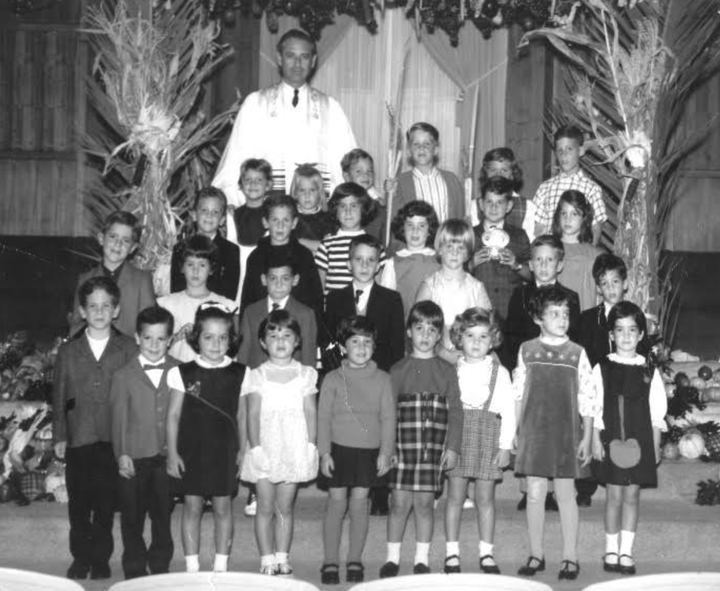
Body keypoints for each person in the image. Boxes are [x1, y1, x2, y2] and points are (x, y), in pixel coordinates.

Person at [53, 276, 138, 580]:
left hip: (112, 438)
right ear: (82, 311)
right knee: (79, 503)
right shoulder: (68, 351)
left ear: (115, 310)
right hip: (79, 436)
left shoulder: (128, 347)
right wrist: (60, 435)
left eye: (106, 306)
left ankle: (101, 558)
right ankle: (80, 557)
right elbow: (60, 395)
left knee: (104, 504)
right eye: (93, 307)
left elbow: (134, 395)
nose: (100, 312)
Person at [212, 29, 356, 202]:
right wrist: (232, 200)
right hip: (268, 209)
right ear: (279, 59)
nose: (297, 63)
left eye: (304, 56)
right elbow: (236, 160)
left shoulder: (331, 108)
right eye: (290, 56)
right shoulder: (256, 104)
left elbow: (350, 165)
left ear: (313, 61)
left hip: (315, 210)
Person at [513, 286, 596, 581]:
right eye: (554, 313)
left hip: (565, 435)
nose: (562, 319)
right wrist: (515, 430)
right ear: (538, 318)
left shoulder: (577, 354)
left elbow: (588, 398)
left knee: (566, 494)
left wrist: (586, 437)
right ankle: (536, 554)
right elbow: (518, 394)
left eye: (566, 313)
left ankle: (570, 557)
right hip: (534, 435)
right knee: (535, 495)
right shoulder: (527, 350)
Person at [380, 301, 463, 578]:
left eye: (432, 329)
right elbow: (388, 414)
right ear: (408, 332)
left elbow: (457, 413)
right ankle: (392, 558)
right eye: (419, 328)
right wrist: (388, 448)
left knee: (425, 505)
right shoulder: (397, 370)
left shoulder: (447, 370)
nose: (425, 335)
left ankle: (421, 559)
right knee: (399, 503)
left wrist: (452, 447)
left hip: (433, 450)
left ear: (440, 335)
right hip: (403, 448)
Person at [166, 303, 246, 573]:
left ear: (231, 340)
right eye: (208, 337)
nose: (216, 343)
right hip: (192, 449)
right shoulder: (182, 373)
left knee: (223, 507)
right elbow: (174, 416)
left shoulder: (240, 373)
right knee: (192, 506)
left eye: (223, 337)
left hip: (224, 449)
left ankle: (221, 565)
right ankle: (192, 565)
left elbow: (243, 416)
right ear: (196, 339)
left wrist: (243, 450)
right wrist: (173, 453)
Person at [239, 310, 319, 575]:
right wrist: (256, 447)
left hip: (294, 445)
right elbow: (251, 413)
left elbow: (310, 411)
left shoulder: (306, 373)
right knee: (264, 506)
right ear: (262, 342)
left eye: (287, 335)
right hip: (266, 446)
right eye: (273, 335)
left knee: (285, 507)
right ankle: (266, 558)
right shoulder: (256, 375)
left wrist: (310, 445)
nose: (280, 341)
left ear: (297, 341)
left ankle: (283, 556)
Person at [317, 316, 395, 585]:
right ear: (343, 346)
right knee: (337, 504)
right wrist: (324, 452)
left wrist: (386, 451)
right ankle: (329, 560)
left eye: (367, 342)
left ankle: (354, 559)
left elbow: (388, 418)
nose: (361, 348)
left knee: (360, 504)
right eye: (355, 341)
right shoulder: (331, 379)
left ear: (375, 346)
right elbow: (323, 418)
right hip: (338, 450)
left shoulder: (383, 379)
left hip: (368, 452)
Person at [591, 301, 666, 576]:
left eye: (632, 330)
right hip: (611, 438)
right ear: (611, 335)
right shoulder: (603, 368)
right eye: (619, 330)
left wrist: (655, 445)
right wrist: (595, 439)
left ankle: (626, 551)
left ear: (641, 335)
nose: (625, 336)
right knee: (613, 495)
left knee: (632, 495)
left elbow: (657, 413)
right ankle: (611, 548)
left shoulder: (649, 371)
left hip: (640, 440)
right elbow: (595, 406)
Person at [443, 308, 515, 575]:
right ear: (459, 339)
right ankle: (452, 552)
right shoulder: (451, 370)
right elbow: (446, 409)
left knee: (485, 498)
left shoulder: (501, 372)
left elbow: (508, 410)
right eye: (470, 335)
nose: (476, 342)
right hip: (458, 437)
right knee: (455, 497)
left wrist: (505, 446)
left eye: (483, 336)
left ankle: (486, 553)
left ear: (493, 339)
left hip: (488, 437)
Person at [110, 305, 178, 579]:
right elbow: (118, 419)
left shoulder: (179, 370)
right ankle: (134, 568)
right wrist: (121, 454)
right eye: (148, 338)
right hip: (134, 456)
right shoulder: (123, 375)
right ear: (137, 338)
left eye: (161, 339)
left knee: (163, 514)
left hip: (165, 455)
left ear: (170, 340)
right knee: (132, 516)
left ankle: (161, 564)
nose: (154, 344)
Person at [416, 219, 492, 365]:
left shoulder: (476, 287)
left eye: (460, 248)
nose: (454, 253)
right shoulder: (429, 286)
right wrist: (441, 351)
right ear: (439, 249)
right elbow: (418, 326)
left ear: (468, 253)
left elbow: (486, 326)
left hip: (470, 356)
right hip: (434, 354)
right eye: (449, 246)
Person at [324, 234, 404, 372]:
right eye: (358, 259)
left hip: (380, 376)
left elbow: (397, 347)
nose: (364, 265)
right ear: (349, 264)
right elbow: (329, 343)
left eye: (371, 260)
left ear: (378, 266)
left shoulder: (392, 299)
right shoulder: (334, 299)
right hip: (343, 375)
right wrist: (336, 372)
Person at [69, 211, 155, 338]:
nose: (118, 244)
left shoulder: (142, 279)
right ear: (101, 238)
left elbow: (149, 325)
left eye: (125, 241)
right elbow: (76, 325)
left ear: (133, 248)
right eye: (113, 237)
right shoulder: (85, 279)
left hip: (130, 352)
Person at [504, 235, 581, 371]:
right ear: (531, 265)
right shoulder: (519, 294)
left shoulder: (570, 297)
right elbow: (510, 337)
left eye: (550, 260)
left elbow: (574, 338)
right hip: (526, 366)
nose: (543, 265)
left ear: (559, 265)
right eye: (538, 259)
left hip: (559, 365)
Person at [240, 194, 323, 319]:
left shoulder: (303, 255)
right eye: (275, 220)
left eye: (286, 220)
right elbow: (248, 298)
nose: (280, 226)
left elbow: (315, 298)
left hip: (296, 323)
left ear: (294, 223)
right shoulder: (256, 256)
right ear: (265, 222)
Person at [158, 236, 237, 362]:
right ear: (182, 268)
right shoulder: (166, 304)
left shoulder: (226, 306)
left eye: (202, 265)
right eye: (190, 264)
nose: (195, 271)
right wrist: (176, 337)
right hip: (176, 372)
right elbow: (156, 345)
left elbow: (232, 351)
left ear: (211, 269)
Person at [238, 254, 317, 369]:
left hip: (292, 380)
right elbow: (243, 352)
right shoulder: (251, 312)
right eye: (273, 278)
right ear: (264, 280)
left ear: (295, 280)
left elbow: (308, 356)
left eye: (285, 279)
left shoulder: (306, 314)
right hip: (257, 379)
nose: (278, 284)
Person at [533, 125, 607, 244]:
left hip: (578, 254)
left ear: (581, 150)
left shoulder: (591, 189)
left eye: (569, 149)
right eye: (559, 150)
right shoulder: (545, 188)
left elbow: (596, 228)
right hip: (550, 254)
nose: (564, 155)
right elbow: (538, 228)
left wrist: (589, 255)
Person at [471, 176, 531, 320]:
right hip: (478, 310)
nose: (493, 207)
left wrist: (516, 265)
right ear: (480, 204)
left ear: (509, 206)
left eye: (499, 202)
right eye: (489, 201)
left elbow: (532, 275)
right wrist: (471, 263)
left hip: (512, 312)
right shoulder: (470, 235)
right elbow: (456, 272)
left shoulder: (520, 236)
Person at [170, 187, 241, 303]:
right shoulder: (180, 248)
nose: (209, 215)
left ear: (222, 219)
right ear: (193, 214)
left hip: (216, 314)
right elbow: (176, 289)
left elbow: (229, 294)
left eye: (215, 212)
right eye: (204, 210)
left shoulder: (231, 251)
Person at [387, 122, 465, 226]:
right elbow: (396, 218)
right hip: (416, 240)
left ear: (436, 150)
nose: (421, 148)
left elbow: (460, 215)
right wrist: (391, 194)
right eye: (416, 144)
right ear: (409, 151)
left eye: (427, 143)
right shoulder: (400, 182)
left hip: (446, 239)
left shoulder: (451, 180)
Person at [314, 182, 385, 294]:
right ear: (336, 212)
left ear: (363, 210)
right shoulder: (327, 244)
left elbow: (380, 282)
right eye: (342, 206)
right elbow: (319, 282)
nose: (348, 211)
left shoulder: (374, 245)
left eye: (353, 205)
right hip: (335, 307)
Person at [378, 200, 440, 319]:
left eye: (421, 225)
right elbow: (386, 302)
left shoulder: (438, 260)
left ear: (429, 230)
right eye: (410, 225)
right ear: (402, 228)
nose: (415, 231)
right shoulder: (393, 263)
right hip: (404, 324)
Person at [553, 190, 604, 311]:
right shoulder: (549, 249)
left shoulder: (596, 255)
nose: (567, 219)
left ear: (584, 218)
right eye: (563, 213)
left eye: (574, 214)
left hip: (584, 318)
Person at [579, 253, 631, 368]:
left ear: (625, 284)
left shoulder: (635, 316)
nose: (610, 288)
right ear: (598, 289)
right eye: (604, 283)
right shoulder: (587, 319)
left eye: (615, 281)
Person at [227, 158, 274, 274]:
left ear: (268, 185)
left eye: (259, 180)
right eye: (248, 180)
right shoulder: (234, 214)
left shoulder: (272, 215)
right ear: (241, 185)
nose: (253, 184)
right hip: (239, 270)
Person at [479, 147, 536, 239]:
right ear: (486, 174)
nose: (498, 174)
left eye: (504, 170)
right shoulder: (476, 206)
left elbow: (528, 241)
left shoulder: (527, 206)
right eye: (493, 170)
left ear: (512, 175)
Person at [341, 148, 387, 243]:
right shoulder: (341, 203)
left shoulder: (378, 204)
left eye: (369, 171)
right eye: (359, 171)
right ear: (346, 176)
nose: (365, 175)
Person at [291, 163, 335, 254]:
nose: (307, 195)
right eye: (302, 190)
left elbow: (327, 247)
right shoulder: (290, 216)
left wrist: (300, 241)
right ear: (295, 192)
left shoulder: (327, 217)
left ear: (320, 192)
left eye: (312, 190)